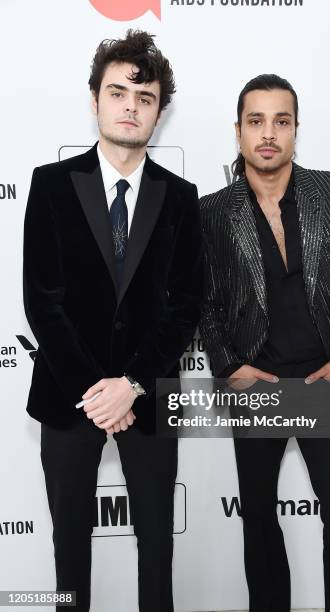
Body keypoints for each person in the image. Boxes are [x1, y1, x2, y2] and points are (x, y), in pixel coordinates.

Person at [23, 29, 203, 612]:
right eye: (119, 92)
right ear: (95, 99)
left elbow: (185, 307)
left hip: (147, 397)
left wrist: (130, 386)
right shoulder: (51, 185)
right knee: (69, 546)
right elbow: (42, 300)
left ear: (158, 112)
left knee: (157, 548)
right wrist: (96, 391)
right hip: (68, 393)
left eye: (145, 97)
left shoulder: (181, 197)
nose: (131, 105)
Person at [199, 74, 330, 612]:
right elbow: (205, 302)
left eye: (281, 121)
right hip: (257, 386)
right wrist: (230, 366)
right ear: (238, 132)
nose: (268, 134)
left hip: (324, 385)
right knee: (258, 522)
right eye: (256, 121)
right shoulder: (211, 211)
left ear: (296, 129)